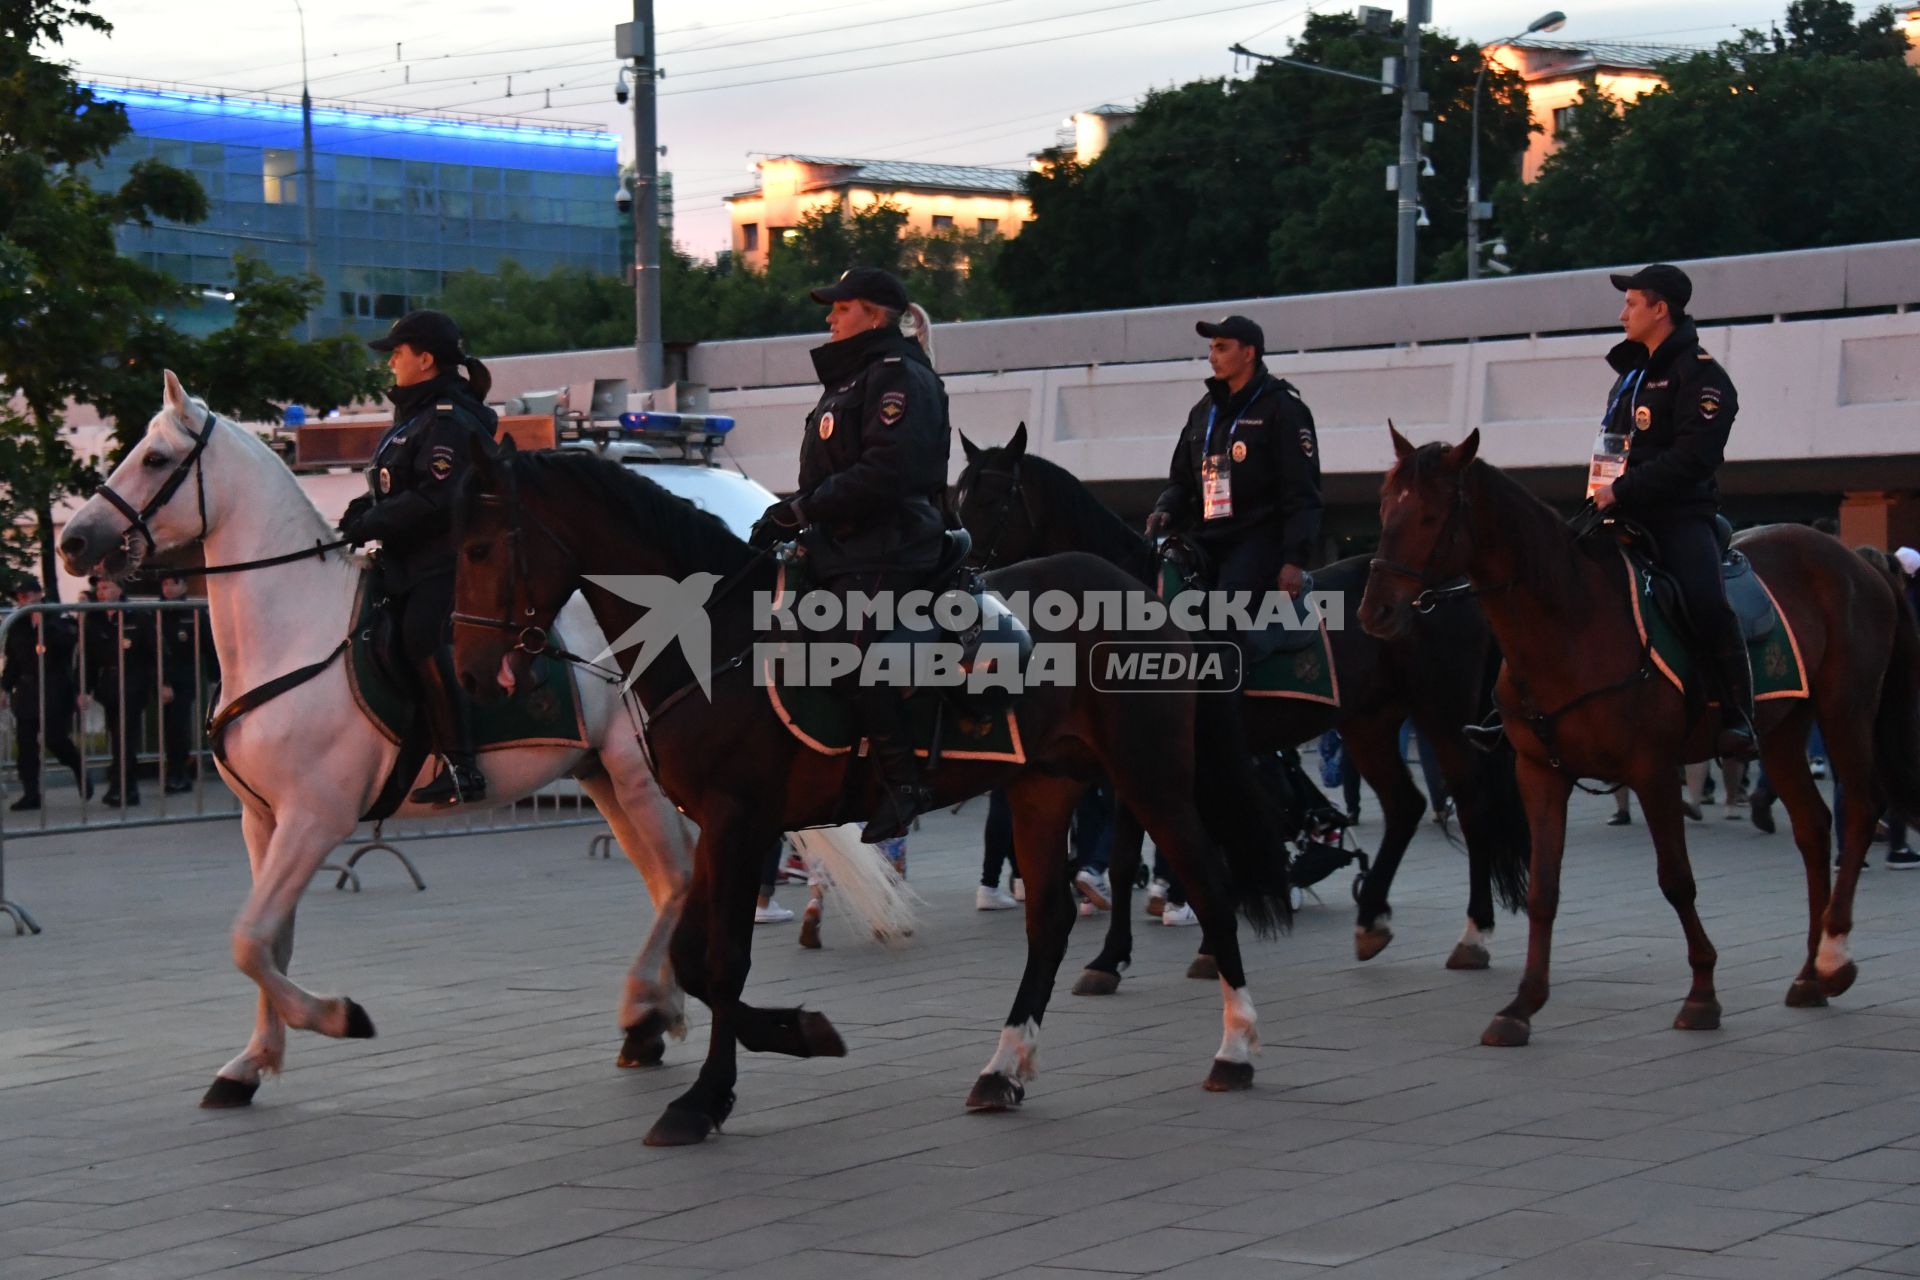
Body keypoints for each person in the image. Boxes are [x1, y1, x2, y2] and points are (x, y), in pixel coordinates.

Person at [750, 268, 950, 843]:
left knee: (848, 647)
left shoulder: (898, 377)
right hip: (842, 547)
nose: (829, 318)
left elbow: (888, 471)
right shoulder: (854, 379)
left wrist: (804, 509)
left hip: (891, 545)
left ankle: (901, 783)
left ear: (874, 314)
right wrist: (793, 517)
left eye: (840, 309)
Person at [1593, 263, 1754, 760]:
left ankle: (1736, 715)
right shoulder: (1630, 377)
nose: (1622, 313)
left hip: (1680, 516)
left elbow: (1694, 459)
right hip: (1617, 513)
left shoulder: (1703, 376)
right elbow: (1612, 447)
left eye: (1632, 303)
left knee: (1706, 601)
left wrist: (1624, 490)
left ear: (1660, 309)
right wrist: (1598, 494)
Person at [341, 309, 499, 806]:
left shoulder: (450, 418)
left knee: (420, 639)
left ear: (426, 359)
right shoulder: (416, 417)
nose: (391, 363)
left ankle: (461, 764)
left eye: (398, 353)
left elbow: (440, 496)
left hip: (446, 562)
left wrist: (375, 521)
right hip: (408, 563)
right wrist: (362, 509)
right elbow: (398, 489)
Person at [1146, 314, 1322, 666]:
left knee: (1226, 611)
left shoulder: (1283, 409)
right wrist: (1164, 508)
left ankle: (1231, 704)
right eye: (1211, 348)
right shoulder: (1202, 412)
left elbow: (1303, 493)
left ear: (1249, 353)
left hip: (1259, 538)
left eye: (1222, 348)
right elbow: (1180, 480)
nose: (1212, 356)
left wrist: (1293, 561)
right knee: (1158, 593)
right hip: (1207, 536)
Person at [2, 576, 87, 811]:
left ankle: (78, 768)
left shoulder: (56, 616)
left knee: (55, 739)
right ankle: (31, 793)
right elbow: (13, 662)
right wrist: (4, 688)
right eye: (20, 597)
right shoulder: (17, 624)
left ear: (39, 595)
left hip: (54, 689)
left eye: (28, 596)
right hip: (27, 691)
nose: (24, 601)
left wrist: (43, 625)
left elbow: (67, 642)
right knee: (26, 744)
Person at [83, 576, 154, 807]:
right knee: (117, 738)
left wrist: (161, 683)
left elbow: (154, 652)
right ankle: (125, 787)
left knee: (125, 738)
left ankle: (121, 787)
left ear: (120, 588)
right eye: (99, 588)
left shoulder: (137, 616)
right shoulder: (94, 619)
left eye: (107, 587)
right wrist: (85, 688)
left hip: (133, 683)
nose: (102, 592)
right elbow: (88, 659)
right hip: (109, 685)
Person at [156, 570, 211, 794]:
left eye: (173, 583)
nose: (168, 588)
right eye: (165, 584)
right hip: (161, 676)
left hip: (185, 677)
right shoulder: (155, 613)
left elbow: (208, 645)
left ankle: (179, 773)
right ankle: (174, 771)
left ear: (183, 587)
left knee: (179, 727)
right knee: (168, 728)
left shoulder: (193, 613)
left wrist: (218, 677)